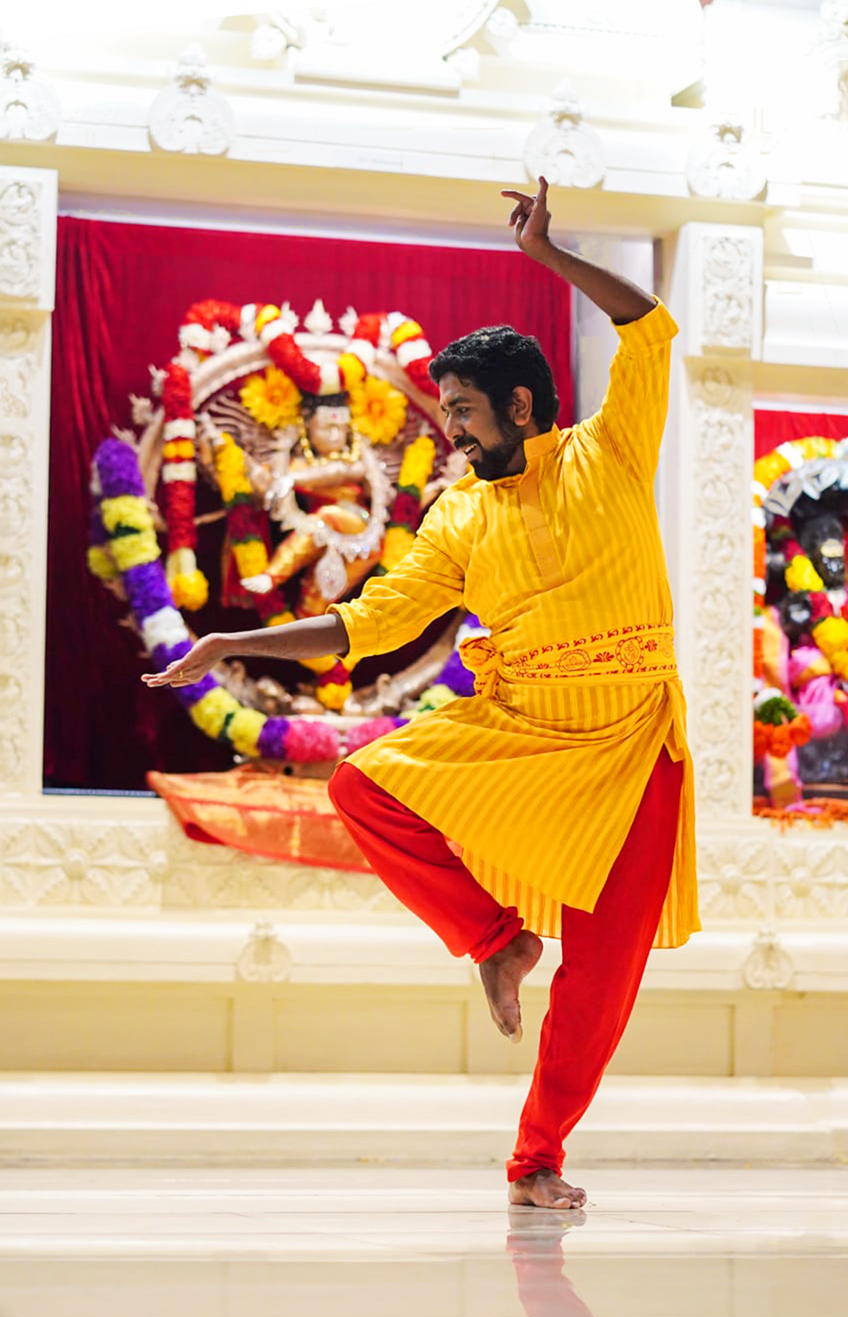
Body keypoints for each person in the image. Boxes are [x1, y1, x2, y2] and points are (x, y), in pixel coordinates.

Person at [144, 177, 700, 1211]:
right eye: (444, 411)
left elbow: (645, 323)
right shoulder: (454, 520)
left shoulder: (608, 449)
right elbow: (372, 622)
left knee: (602, 977)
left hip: (632, 741)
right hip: (524, 728)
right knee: (362, 784)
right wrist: (234, 636)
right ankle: (496, 938)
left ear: (521, 406)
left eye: (461, 412)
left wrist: (549, 255)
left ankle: (535, 1157)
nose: (448, 431)